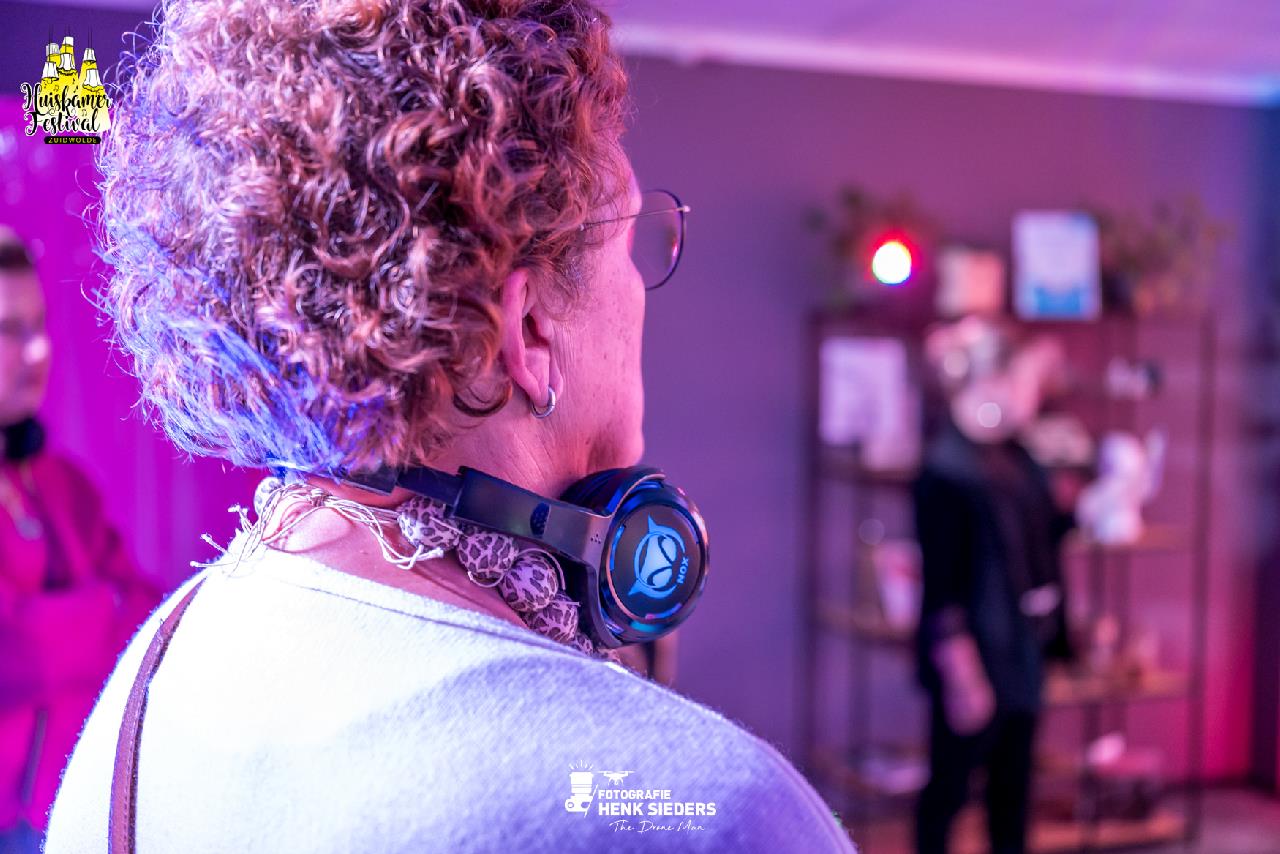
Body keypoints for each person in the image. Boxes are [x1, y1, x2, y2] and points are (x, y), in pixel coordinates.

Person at [43, 2, 855, 852]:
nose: (638, 290)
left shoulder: (148, 682)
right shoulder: (704, 809)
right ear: (530, 331)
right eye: (627, 245)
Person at [0, 229, 164, 854]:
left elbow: (144, 616)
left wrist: (59, 622)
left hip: (71, 816)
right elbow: (13, 654)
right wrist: (105, 608)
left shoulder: (63, 483)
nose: (39, 349)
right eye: (10, 329)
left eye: (39, 324)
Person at [912, 316, 1076, 854]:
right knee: (949, 789)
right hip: (976, 657)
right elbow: (942, 587)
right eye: (1025, 381)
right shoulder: (946, 471)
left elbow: (1040, 537)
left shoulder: (1018, 457)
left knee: (1013, 795)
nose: (1034, 395)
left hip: (1021, 650)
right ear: (991, 383)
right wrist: (963, 674)